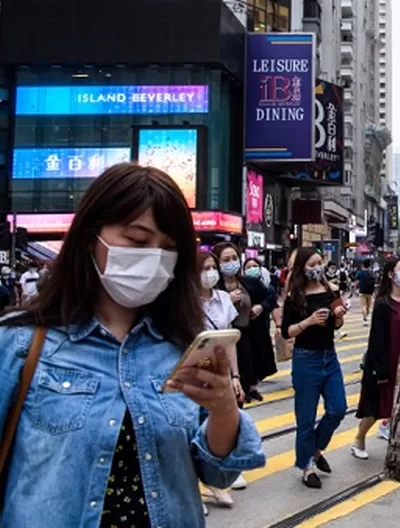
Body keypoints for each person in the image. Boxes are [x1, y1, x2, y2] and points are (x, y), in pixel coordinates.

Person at [0, 163, 265, 526]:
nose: (153, 257)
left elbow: (218, 475)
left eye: (168, 248)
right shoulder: (21, 343)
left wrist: (223, 410)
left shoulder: (182, 345)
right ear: (92, 236)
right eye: (137, 241)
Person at [281, 247, 349, 489]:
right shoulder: (295, 296)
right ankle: (306, 466)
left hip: (329, 358)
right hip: (305, 359)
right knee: (306, 418)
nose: (317, 267)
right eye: (311, 264)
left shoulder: (331, 290)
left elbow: (337, 325)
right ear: (302, 268)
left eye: (319, 262)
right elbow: (286, 332)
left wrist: (339, 314)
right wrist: (308, 322)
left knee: (338, 409)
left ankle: (316, 449)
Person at [353, 257, 400, 459]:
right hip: (389, 361)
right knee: (377, 406)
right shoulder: (383, 304)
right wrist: (380, 368)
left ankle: (399, 442)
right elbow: (376, 338)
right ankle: (359, 438)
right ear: (391, 275)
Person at [197, 251, 248, 508]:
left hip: (220, 374)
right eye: (204, 268)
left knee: (222, 427)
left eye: (212, 267)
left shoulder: (223, 299)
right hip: (194, 374)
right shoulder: (185, 303)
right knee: (193, 430)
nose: (210, 272)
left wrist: (235, 375)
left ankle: (219, 478)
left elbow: (229, 342)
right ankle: (198, 488)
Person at [214, 243, 278, 403]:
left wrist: (260, 308)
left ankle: (249, 390)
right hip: (224, 340)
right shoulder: (214, 287)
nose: (231, 263)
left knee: (248, 370)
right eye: (226, 259)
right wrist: (226, 301)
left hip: (249, 335)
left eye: (235, 258)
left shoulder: (250, 282)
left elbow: (270, 297)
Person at [356, 258, 377, 323]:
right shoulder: (372, 273)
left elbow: (356, 282)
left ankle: (365, 319)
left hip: (362, 291)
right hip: (370, 292)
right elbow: (375, 282)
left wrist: (355, 289)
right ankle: (366, 316)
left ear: (363, 265)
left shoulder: (360, 273)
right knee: (368, 306)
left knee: (363, 306)